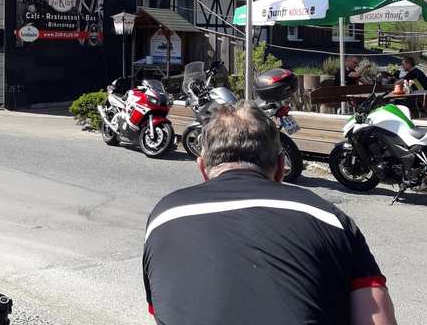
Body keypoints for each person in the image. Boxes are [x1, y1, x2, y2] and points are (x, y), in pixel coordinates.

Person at [143, 103, 396, 325]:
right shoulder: (330, 219)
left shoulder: (164, 217)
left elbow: (165, 308)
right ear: (281, 167)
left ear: (203, 168)